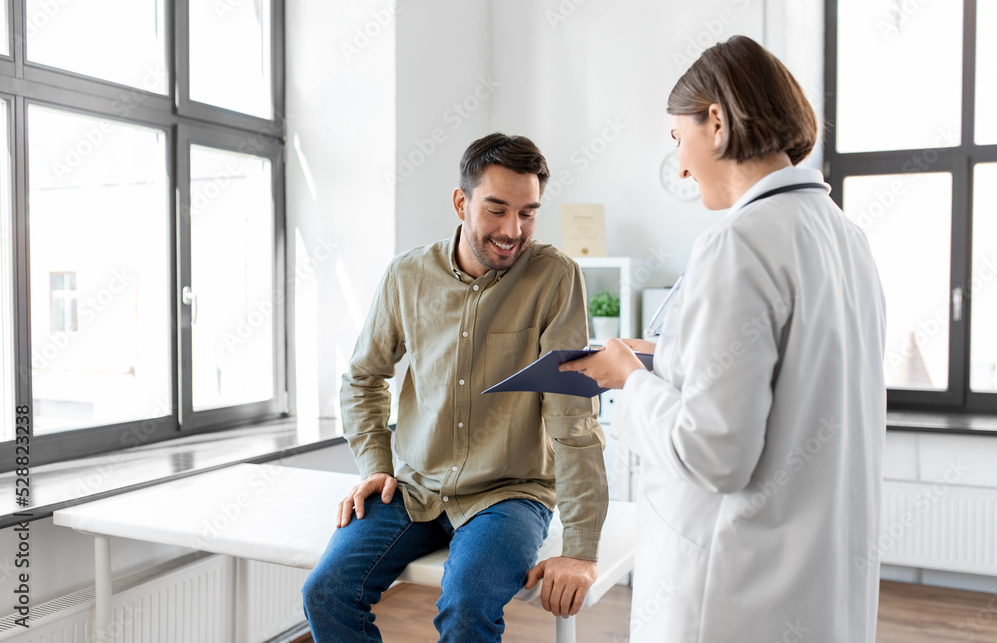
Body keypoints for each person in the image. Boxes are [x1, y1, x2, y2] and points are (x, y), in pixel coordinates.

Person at [561, 36, 886, 642]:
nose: (681, 166)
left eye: (677, 140)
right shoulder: (846, 238)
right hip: (818, 584)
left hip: (734, 593)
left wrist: (625, 378)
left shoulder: (739, 242)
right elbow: (791, 371)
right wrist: (660, 356)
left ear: (715, 121)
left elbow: (713, 452)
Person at [302, 132, 609, 642]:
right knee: (327, 591)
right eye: (496, 210)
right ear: (461, 202)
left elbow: (571, 414)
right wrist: (376, 463)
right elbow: (363, 376)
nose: (513, 230)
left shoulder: (555, 277)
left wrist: (579, 549)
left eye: (528, 212)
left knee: (466, 605)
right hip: (413, 485)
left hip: (508, 493)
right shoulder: (407, 275)